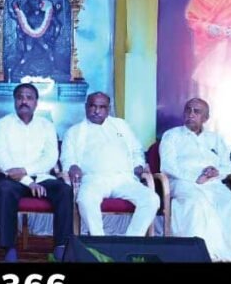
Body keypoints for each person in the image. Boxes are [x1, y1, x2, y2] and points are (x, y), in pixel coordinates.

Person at [0, 83, 73, 261]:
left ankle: (61, 246)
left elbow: (51, 157)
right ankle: (9, 248)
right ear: (14, 101)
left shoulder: (46, 125)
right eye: (20, 97)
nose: (24, 101)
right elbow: (3, 161)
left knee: (65, 190)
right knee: (4, 191)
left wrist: (27, 171)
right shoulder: (1, 125)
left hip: (42, 176)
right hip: (12, 179)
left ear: (36, 102)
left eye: (29, 98)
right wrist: (28, 181)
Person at [160, 98, 231, 261]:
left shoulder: (215, 138)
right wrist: (196, 177)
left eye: (197, 111)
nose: (191, 114)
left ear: (206, 118)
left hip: (213, 184)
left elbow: (228, 167)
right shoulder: (171, 135)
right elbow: (167, 166)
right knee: (198, 206)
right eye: (188, 110)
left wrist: (216, 172)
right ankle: (202, 256)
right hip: (182, 182)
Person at [61, 92, 159, 237]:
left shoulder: (121, 125)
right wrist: (72, 166)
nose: (96, 111)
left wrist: (138, 164)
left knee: (151, 199)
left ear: (108, 109)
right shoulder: (74, 132)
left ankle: (131, 241)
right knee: (85, 200)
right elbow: (67, 158)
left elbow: (136, 150)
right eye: (93, 106)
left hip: (125, 179)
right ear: (86, 107)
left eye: (102, 107)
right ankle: (99, 242)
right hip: (94, 179)